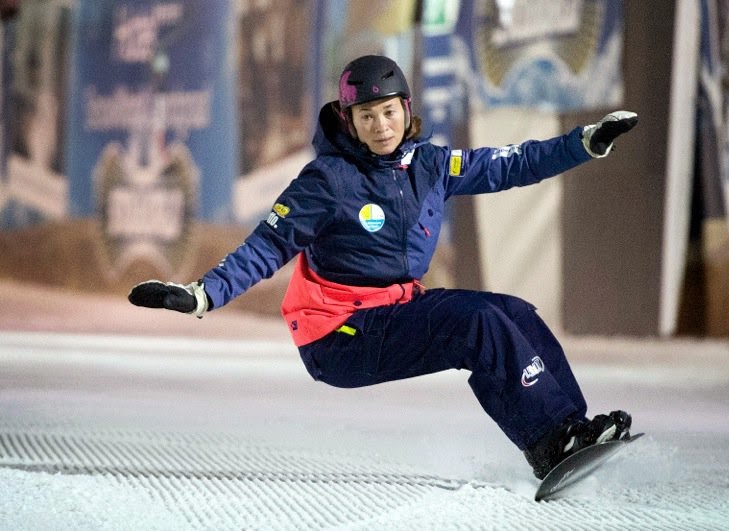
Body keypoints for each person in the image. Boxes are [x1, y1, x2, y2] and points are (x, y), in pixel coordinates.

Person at [128, 55, 639, 480]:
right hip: (339, 336)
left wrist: (585, 142)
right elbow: (268, 245)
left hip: (393, 311)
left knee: (514, 313)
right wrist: (202, 295)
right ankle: (551, 440)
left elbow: (511, 163)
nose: (381, 125)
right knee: (477, 324)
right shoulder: (328, 180)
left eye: (389, 112)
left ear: (406, 110)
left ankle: (571, 431)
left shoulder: (430, 165)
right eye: (367, 116)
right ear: (348, 120)